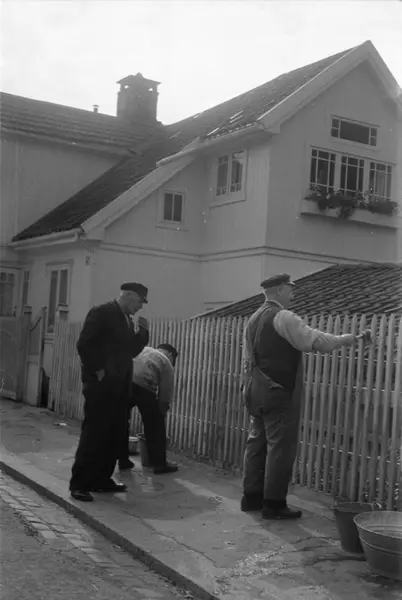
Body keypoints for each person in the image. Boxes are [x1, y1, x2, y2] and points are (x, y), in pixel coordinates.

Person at [241, 274, 372, 520]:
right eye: (290, 289)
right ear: (279, 290)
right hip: (278, 391)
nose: (293, 293)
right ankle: (274, 504)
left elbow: (249, 357)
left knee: (256, 443)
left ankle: (251, 498)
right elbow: (316, 341)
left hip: (254, 389)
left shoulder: (253, 318)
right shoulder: (283, 317)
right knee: (280, 447)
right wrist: (346, 339)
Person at [69, 283, 150, 502]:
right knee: (94, 434)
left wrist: (142, 334)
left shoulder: (126, 320)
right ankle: (79, 484)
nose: (141, 307)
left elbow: (129, 351)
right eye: (140, 301)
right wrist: (98, 369)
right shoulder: (102, 312)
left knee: (113, 434)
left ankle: (101, 480)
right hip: (101, 385)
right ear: (129, 295)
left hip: (120, 386)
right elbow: (84, 344)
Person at [132, 343, 179, 474]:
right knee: (155, 424)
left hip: (125, 380)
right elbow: (165, 394)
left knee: (121, 419)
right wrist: (162, 411)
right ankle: (159, 464)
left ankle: (122, 459)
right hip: (144, 384)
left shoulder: (144, 349)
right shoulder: (166, 362)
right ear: (170, 355)